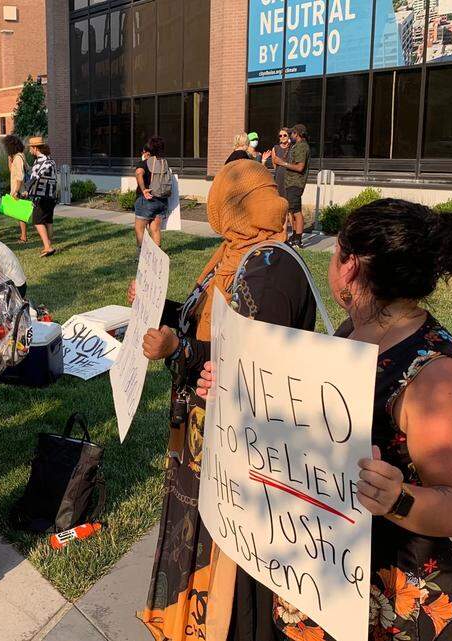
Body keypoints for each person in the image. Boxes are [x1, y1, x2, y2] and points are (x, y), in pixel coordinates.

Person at [196, 198, 452, 641]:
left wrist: (396, 498)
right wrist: (237, 393)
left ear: (349, 266)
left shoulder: (438, 378)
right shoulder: (356, 330)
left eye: (334, 252)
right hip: (326, 579)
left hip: (396, 604)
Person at [136, 159, 318, 641]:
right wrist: (160, 310)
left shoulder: (270, 269)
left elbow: (248, 368)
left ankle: (214, 626)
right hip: (206, 432)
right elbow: (210, 322)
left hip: (238, 447)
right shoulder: (236, 254)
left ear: (229, 207)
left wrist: (180, 349)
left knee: (230, 561)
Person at [270, 123, 311, 247]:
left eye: (292, 133)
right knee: (292, 210)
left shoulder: (301, 147)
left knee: (296, 211)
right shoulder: (297, 146)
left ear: (297, 134)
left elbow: (300, 167)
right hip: (290, 183)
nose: (290, 135)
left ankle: (298, 239)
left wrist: (282, 163)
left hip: (295, 183)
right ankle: (294, 236)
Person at [133, 136, 170, 248]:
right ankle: (156, 258)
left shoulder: (144, 163)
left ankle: (141, 256)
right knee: (155, 229)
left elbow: (139, 173)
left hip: (147, 200)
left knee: (140, 229)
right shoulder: (164, 163)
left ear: (148, 151)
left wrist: (144, 189)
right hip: (162, 201)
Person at [24, 136, 58, 257]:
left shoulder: (40, 162)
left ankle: (48, 247)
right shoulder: (51, 161)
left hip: (41, 196)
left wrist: (26, 190)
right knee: (48, 221)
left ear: (35, 148)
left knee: (38, 221)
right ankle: (49, 245)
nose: (29, 151)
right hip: (51, 196)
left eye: (30, 148)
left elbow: (34, 178)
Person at [3, 134, 29, 243]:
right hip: (19, 189)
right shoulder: (19, 156)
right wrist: (9, 160)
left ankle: (24, 237)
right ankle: (23, 235)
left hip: (20, 190)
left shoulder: (18, 158)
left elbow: (20, 176)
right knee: (19, 214)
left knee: (21, 214)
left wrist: (16, 191)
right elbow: (12, 171)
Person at [261, 127, 292, 197]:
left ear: (289, 136)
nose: (282, 137)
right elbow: (275, 166)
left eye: (285, 135)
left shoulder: (292, 148)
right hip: (279, 178)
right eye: (280, 136)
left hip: (289, 178)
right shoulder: (275, 148)